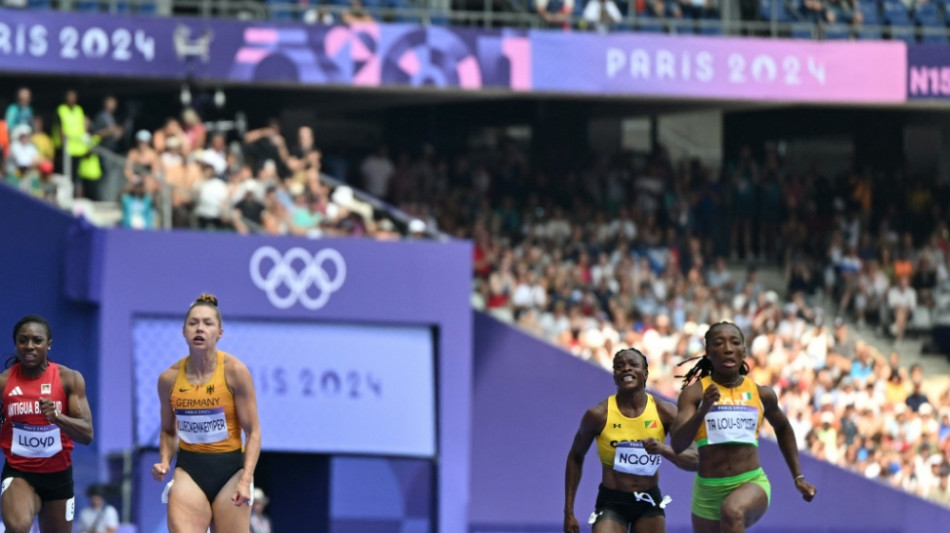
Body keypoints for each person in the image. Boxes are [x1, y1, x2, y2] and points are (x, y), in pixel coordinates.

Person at [670, 322, 817, 533]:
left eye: (735, 343)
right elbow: (677, 444)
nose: (728, 348)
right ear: (709, 353)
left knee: (733, 510)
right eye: (719, 344)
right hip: (707, 492)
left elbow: (783, 428)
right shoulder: (694, 394)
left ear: (743, 351)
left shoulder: (762, 394)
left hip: (751, 483)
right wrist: (703, 411)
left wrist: (798, 477)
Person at [152, 294, 261, 532]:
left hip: (231, 471)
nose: (199, 328)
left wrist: (246, 479)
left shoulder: (235, 372)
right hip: (190, 469)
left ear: (219, 333)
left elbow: (253, 432)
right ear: (184, 331)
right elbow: (168, 429)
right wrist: (164, 460)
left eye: (207, 323)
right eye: (193, 323)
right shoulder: (168, 379)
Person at [564, 348, 699, 533]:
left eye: (633, 364)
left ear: (645, 374)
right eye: (619, 366)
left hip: (649, 502)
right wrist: (568, 512)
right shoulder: (598, 415)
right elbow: (575, 456)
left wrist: (663, 449)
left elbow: (695, 459)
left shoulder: (665, 412)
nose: (626, 369)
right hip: (612, 501)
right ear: (614, 376)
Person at [0, 315, 94, 533]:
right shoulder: (4, 382)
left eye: (37, 340)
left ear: (48, 344)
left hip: (59, 477)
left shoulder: (69, 379)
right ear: (16, 344)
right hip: (19, 472)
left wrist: (57, 417)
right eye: (23, 340)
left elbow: (87, 434)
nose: (29, 346)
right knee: (17, 526)